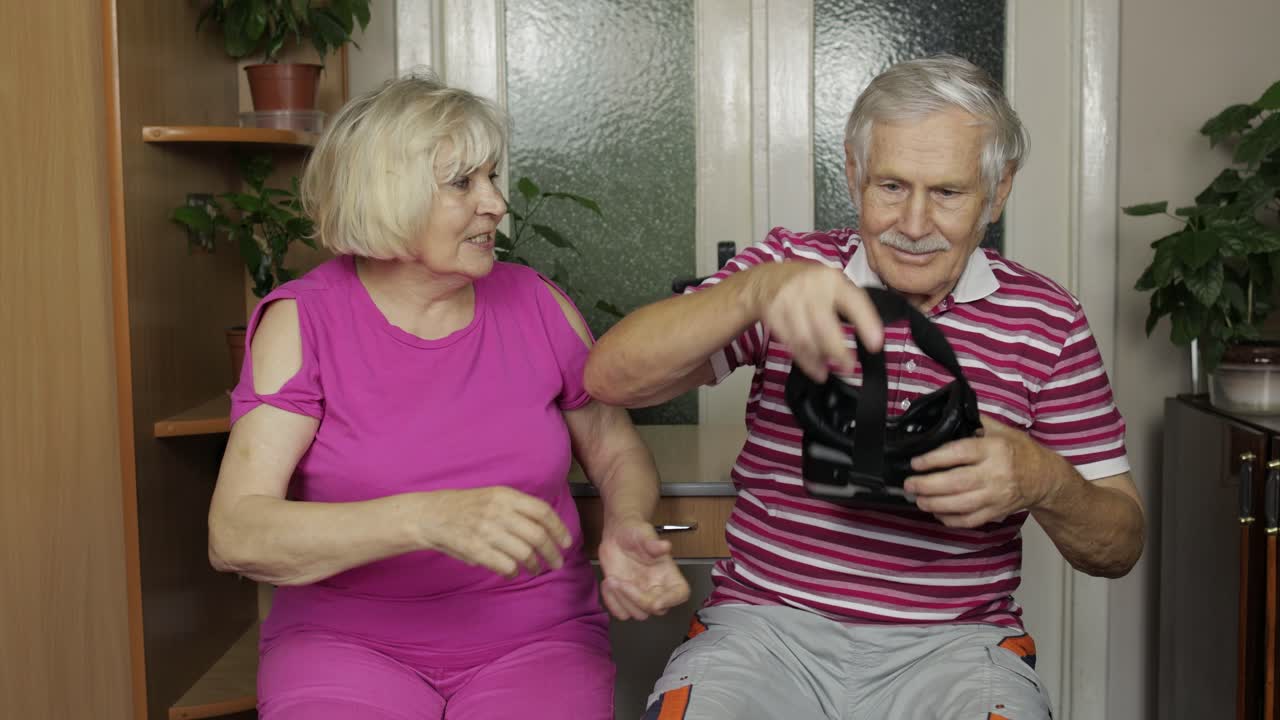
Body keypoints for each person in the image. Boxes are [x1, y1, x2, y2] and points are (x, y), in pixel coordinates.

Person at [585, 55, 1144, 720]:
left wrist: (1043, 479)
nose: (914, 223)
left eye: (948, 193)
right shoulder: (789, 273)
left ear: (997, 192)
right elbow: (610, 378)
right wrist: (753, 291)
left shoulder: (1047, 320)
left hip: (957, 645)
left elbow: (1120, 545)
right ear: (853, 174)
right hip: (764, 631)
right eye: (891, 186)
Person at [206, 73, 690, 720]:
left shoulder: (536, 303)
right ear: (387, 195)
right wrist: (425, 519)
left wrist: (627, 521)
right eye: (463, 183)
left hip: (535, 640)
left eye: (492, 177)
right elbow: (235, 534)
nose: (496, 204)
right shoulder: (303, 321)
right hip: (343, 643)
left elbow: (614, 448)